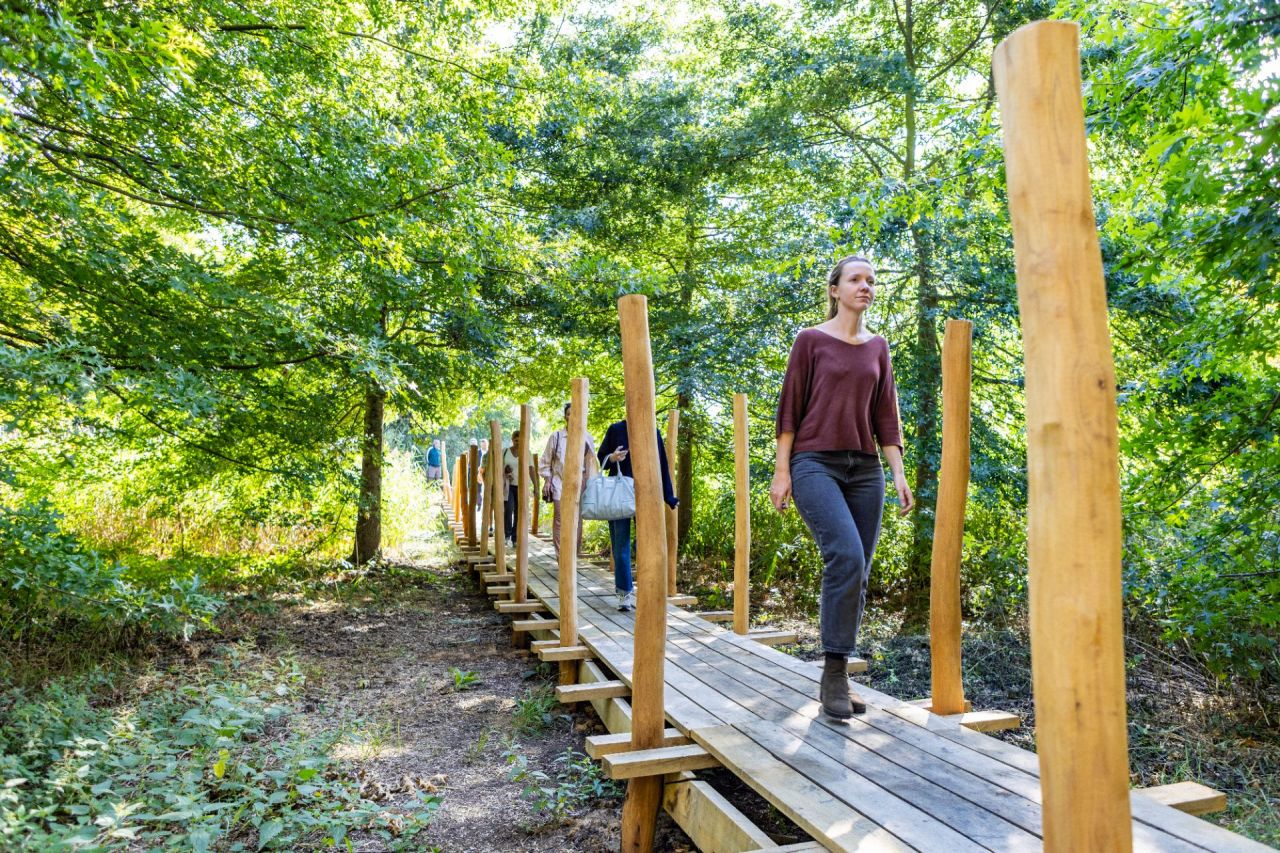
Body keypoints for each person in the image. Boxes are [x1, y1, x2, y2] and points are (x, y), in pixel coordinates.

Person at [770, 254, 914, 720]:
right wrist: (782, 470)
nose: (866, 286)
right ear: (835, 290)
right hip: (814, 462)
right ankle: (832, 675)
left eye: (871, 281)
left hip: (865, 469)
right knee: (846, 556)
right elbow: (789, 409)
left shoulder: (878, 347)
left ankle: (839, 671)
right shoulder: (810, 341)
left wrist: (898, 473)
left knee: (859, 570)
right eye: (856, 279)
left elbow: (885, 417)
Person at [598, 419, 677, 612]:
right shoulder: (616, 429)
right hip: (619, 494)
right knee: (620, 544)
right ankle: (624, 593)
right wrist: (613, 458)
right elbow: (600, 458)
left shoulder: (653, 430)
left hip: (647, 494)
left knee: (648, 544)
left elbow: (662, 465)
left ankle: (649, 590)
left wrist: (669, 496)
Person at [539, 403, 597, 559]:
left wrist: (590, 485)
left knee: (577, 521)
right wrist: (547, 480)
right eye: (569, 413)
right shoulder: (556, 436)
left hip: (580, 483)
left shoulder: (587, 437)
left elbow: (591, 463)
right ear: (565, 417)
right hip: (559, 481)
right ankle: (561, 557)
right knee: (560, 519)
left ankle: (573, 555)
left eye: (575, 413)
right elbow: (544, 462)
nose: (572, 416)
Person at [502, 430, 520, 545]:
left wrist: (536, 486)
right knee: (509, 509)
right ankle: (507, 535)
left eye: (520, 440)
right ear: (512, 440)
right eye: (516, 440)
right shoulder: (505, 451)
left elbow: (531, 468)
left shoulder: (526, 452)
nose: (518, 442)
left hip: (521, 486)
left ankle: (515, 538)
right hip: (508, 485)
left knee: (519, 512)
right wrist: (505, 470)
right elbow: (499, 466)